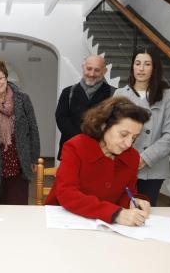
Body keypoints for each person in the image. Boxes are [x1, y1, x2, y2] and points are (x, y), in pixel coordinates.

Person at [46, 96, 152, 226]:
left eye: (134, 138)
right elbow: (67, 194)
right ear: (103, 126)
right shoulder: (75, 147)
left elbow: (127, 192)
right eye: (124, 135)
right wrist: (115, 214)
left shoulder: (132, 156)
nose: (129, 143)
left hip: (103, 227)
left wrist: (132, 201)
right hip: (64, 220)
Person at [114, 46, 170, 206]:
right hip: (123, 164)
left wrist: (144, 158)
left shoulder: (167, 95)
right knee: (121, 209)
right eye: (137, 63)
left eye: (147, 64)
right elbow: (111, 133)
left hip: (153, 168)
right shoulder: (120, 94)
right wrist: (130, 159)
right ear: (132, 67)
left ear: (154, 68)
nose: (141, 68)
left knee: (146, 214)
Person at [0, 60, 40, 205]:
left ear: (6, 77)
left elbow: (33, 128)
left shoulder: (23, 99)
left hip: (19, 162)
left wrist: (34, 157)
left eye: (0, 78)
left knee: (18, 206)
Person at [55, 55, 113, 160]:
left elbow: (113, 122)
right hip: (71, 149)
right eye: (89, 68)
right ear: (83, 67)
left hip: (101, 151)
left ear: (104, 71)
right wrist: (81, 139)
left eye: (97, 70)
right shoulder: (68, 92)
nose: (91, 74)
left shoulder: (113, 94)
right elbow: (61, 119)